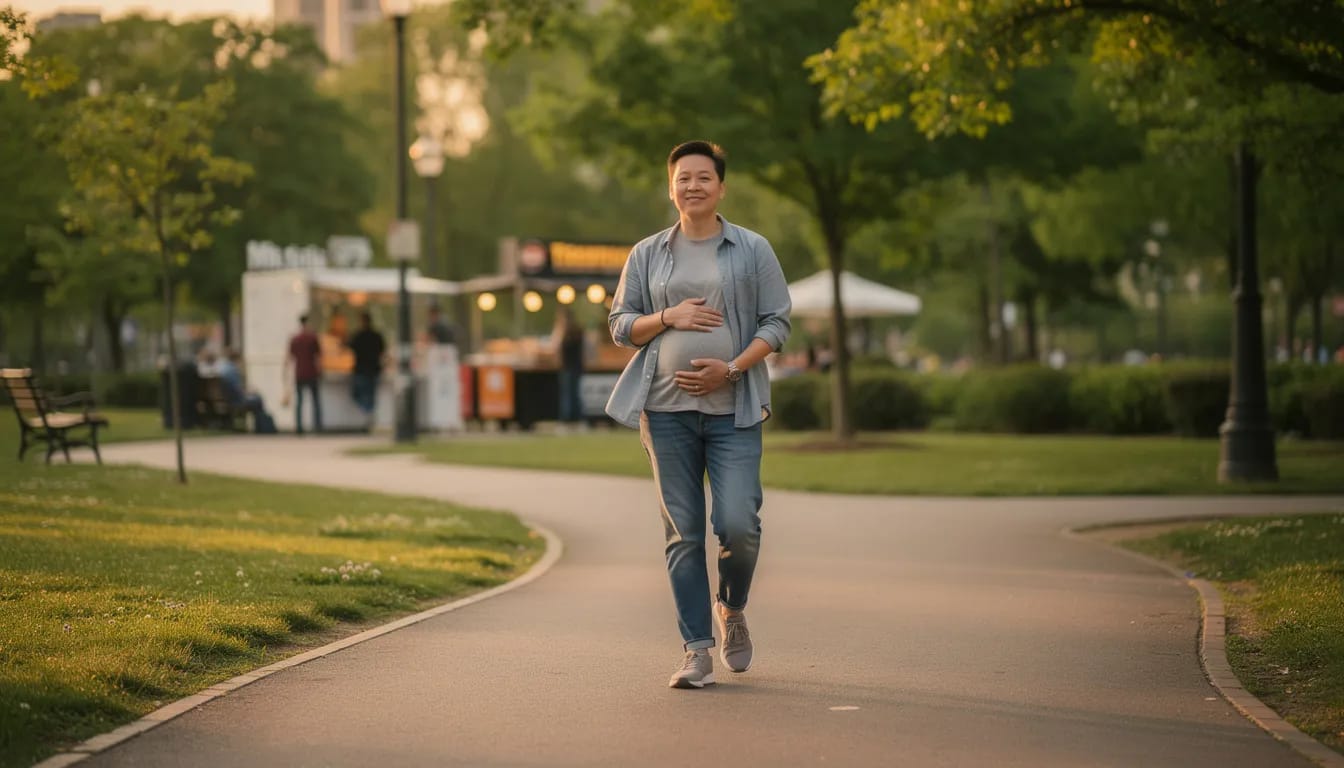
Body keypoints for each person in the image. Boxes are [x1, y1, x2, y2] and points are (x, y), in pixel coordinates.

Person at [606, 140, 791, 689]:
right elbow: (620, 326)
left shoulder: (752, 249)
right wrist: (669, 316)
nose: (693, 185)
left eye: (704, 177)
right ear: (671, 189)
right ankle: (696, 650)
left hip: (734, 408)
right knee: (683, 534)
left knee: (739, 524)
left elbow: (777, 322)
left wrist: (730, 369)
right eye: (683, 178)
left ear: (721, 187)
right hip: (665, 412)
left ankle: (730, 607)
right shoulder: (647, 253)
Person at [346, 311, 387, 430]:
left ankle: (367, 415)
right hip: (373, 369)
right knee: (369, 395)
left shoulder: (359, 336)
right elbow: (382, 350)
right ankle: (368, 414)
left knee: (359, 394)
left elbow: (349, 347)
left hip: (362, 370)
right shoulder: (375, 336)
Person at [284, 314, 323, 434]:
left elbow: (289, 358)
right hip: (312, 372)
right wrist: (320, 370)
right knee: (315, 401)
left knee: (300, 402)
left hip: (299, 373)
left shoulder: (295, 339)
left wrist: (285, 374)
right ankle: (317, 427)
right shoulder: (313, 338)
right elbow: (318, 357)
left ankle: (299, 428)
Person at [551, 307, 586, 426]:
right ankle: (576, 418)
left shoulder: (565, 332)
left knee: (568, 394)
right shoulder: (577, 331)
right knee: (574, 393)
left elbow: (557, 350)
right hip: (575, 366)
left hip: (568, 366)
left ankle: (567, 419)